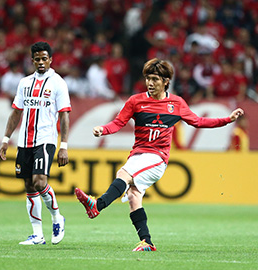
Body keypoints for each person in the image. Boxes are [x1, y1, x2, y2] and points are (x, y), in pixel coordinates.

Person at [75, 58, 244, 252]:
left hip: (157, 158)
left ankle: (98, 205)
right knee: (133, 195)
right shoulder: (136, 101)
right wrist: (102, 130)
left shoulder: (176, 103)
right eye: (148, 78)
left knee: (123, 174)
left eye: (155, 79)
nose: (150, 83)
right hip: (138, 155)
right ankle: (147, 242)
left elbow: (198, 121)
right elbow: (118, 122)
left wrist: (227, 119)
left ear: (166, 81)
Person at [0, 42, 71, 245]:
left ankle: (57, 218)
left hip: (46, 139)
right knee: (29, 185)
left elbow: (64, 115)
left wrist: (63, 145)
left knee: (40, 181)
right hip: (24, 141)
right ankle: (37, 234)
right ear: (32, 60)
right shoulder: (24, 83)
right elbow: (16, 112)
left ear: (51, 59)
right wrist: (6, 139)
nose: (40, 62)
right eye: (37, 59)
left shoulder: (58, 83)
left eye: (44, 58)